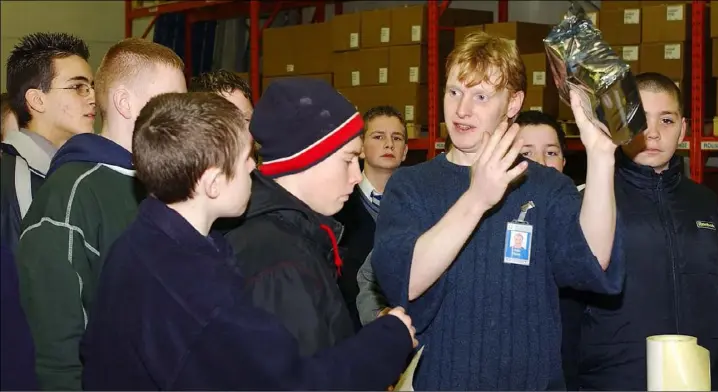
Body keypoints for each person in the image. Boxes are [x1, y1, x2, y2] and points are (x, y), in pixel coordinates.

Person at [81, 92, 417, 390]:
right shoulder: (197, 292)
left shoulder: (143, 241)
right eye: (246, 160)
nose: (255, 168)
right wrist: (388, 339)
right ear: (213, 183)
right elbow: (293, 384)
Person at [371, 31, 625, 390]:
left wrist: (601, 155)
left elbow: (593, 259)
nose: (462, 110)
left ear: (513, 102)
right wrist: (477, 199)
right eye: (454, 91)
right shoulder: (411, 185)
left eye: (481, 96)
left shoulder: (546, 187)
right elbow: (406, 280)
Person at [15, 38, 186, 391]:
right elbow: (57, 353)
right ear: (124, 103)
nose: (183, 116)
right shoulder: (70, 196)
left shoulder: (167, 184)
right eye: (172, 102)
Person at [560, 72, 718, 391]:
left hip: (702, 379)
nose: (653, 133)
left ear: (683, 129)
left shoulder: (705, 202)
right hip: (616, 381)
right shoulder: (593, 199)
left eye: (666, 120)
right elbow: (569, 307)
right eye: (640, 120)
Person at [224, 78, 364, 356]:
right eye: (348, 160)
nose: (357, 177)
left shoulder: (295, 234)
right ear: (307, 159)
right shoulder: (280, 265)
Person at [1, 32, 94, 256]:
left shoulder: (74, 171)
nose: (92, 98)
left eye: (92, 87)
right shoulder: (13, 184)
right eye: (78, 87)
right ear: (37, 100)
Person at [335, 105, 408, 329]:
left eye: (397, 138)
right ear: (361, 148)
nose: (389, 144)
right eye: (378, 136)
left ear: (405, 151)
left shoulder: (418, 209)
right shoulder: (338, 206)